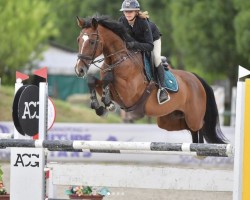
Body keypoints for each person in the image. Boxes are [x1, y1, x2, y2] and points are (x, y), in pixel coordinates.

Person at [119, 0, 170, 104]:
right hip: (136, 42)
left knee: (156, 58)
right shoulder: (121, 21)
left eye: (130, 11)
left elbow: (150, 46)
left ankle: (162, 89)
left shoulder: (143, 22)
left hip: (152, 40)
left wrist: (134, 45)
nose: (128, 14)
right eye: (126, 11)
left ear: (136, 12)